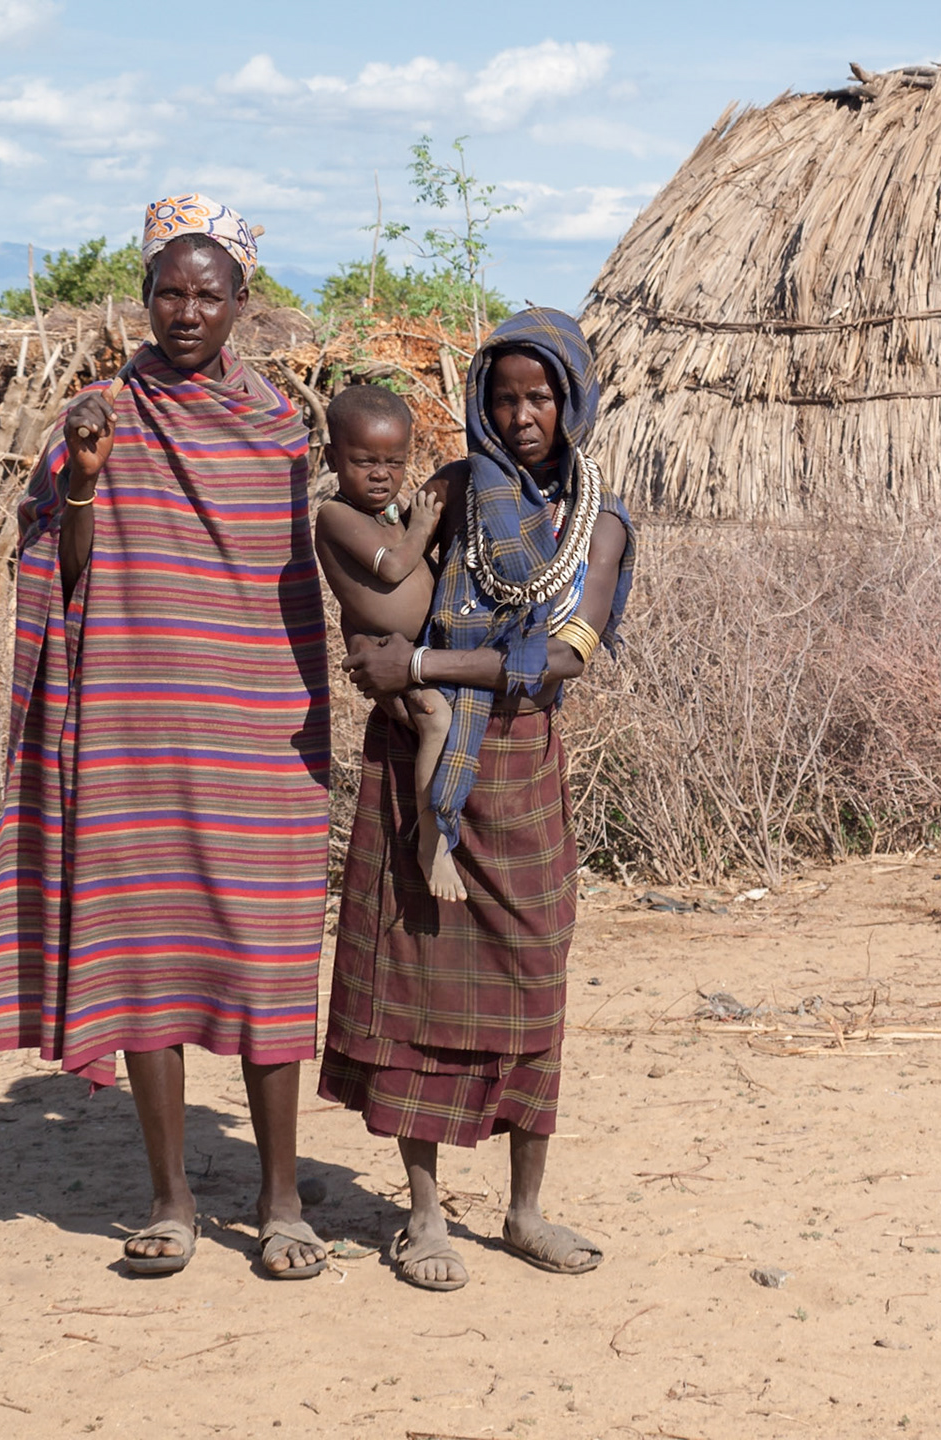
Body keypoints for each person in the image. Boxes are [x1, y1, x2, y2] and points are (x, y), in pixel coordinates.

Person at [0, 193, 332, 1280]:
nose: (187, 311)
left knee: (268, 961)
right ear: (143, 298)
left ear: (243, 302)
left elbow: (302, 581)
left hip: (262, 730)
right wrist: (84, 487)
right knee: (148, 958)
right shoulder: (97, 418)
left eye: (208, 293)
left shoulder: (278, 424)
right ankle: (173, 1198)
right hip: (136, 730)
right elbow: (63, 578)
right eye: (169, 292)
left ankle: (281, 1202)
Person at [324, 308, 634, 1292]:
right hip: (419, 766)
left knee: (534, 989)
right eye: (503, 396)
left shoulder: (604, 524)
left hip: (520, 772)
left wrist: (417, 660)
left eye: (539, 394)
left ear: (572, 398)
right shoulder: (450, 493)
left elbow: (554, 665)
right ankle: (421, 1219)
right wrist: (391, 659)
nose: (521, 412)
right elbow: (375, 586)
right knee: (416, 986)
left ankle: (525, 1210)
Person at [312, 385, 461, 900]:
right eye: (364, 461)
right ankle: (430, 836)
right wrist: (421, 525)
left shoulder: (389, 510)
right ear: (332, 458)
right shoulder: (336, 516)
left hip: (421, 645)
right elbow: (396, 566)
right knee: (435, 719)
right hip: (384, 653)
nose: (381, 474)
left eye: (394, 462)